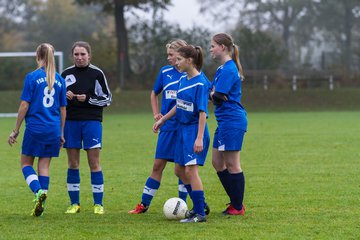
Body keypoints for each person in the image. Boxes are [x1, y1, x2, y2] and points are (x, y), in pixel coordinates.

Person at [128, 39, 190, 214]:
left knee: (182, 168)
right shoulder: (165, 72)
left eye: (172, 55)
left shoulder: (190, 74)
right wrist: (156, 114)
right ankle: (144, 204)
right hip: (167, 127)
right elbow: (154, 93)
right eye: (168, 55)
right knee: (157, 165)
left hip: (184, 127)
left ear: (181, 55)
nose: (169, 58)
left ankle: (182, 205)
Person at [8, 43, 67, 217]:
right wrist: (61, 133)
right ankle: (42, 201)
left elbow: (25, 104)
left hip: (35, 128)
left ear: (37, 56)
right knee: (44, 166)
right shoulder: (60, 80)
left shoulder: (32, 77)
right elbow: (63, 109)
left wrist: (16, 130)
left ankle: (38, 193)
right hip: (53, 129)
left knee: (26, 164)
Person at [153, 45, 210, 223]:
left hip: (194, 130)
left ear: (189, 60)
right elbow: (179, 105)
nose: (176, 63)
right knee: (179, 170)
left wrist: (199, 137)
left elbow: (202, 113)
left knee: (191, 171)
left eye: (178, 59)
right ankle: (200, 204)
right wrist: (163, 120)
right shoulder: (183, 80)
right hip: (182, 130)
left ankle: (200, 213)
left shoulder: (201, 83)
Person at [61, 41, 112, 215]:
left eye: (83, 54)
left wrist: (88, 99)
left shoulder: (97, 74)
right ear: (72, 56)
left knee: (94, 162)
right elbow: (58, 100)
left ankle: (98, 204)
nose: (80, 57)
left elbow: (107, 99)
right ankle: (74, 204)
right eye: (76, 54)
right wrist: (65, 96)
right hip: (71, 122)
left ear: (89, 55)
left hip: (92, 122)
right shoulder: (65, 74)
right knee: (73, 163)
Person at [209, 33, 247, 215]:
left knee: (232, 164)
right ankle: (235, 201)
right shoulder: (221, 69)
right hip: (224, 121)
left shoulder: (229, 69)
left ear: (222, 47)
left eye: (212, 46)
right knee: (217, 162)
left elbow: (217, 97)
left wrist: (214, 94)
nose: (210, 49)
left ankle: (237, 206)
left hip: (232, 120)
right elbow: (213, 92)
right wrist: (214, 94)